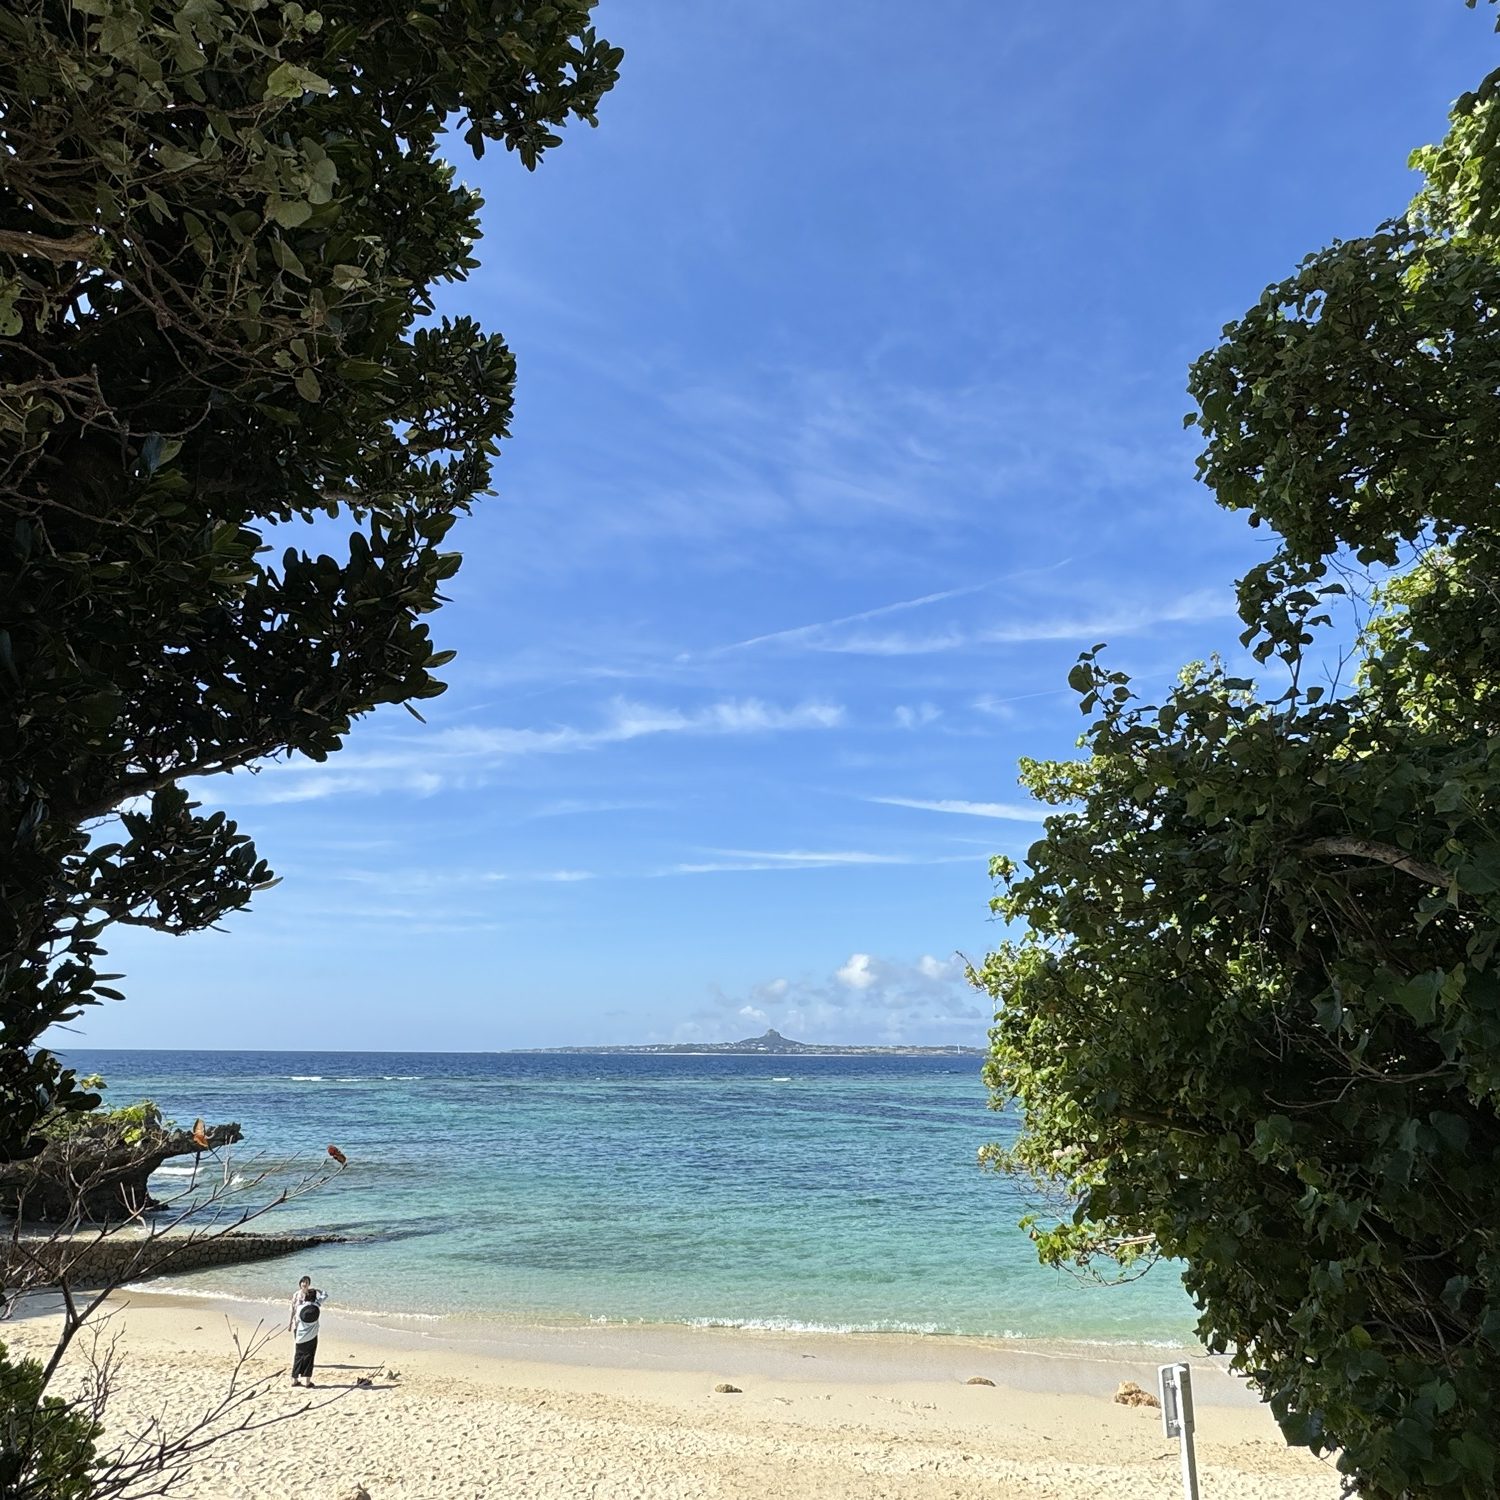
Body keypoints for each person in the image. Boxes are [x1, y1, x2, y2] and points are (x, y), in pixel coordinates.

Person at [290, 1284, 325, 1387]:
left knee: (298, 1357)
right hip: (312, 1336)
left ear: (305, 1297)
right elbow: (325, 1294)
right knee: (309, 1357)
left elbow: (297, 1320)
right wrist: (318, 1289)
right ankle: (307, 1381)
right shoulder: (317, 1306)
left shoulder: (300, 1308)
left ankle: (294, 1379)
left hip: (300, 1336)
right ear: (315, 1298)